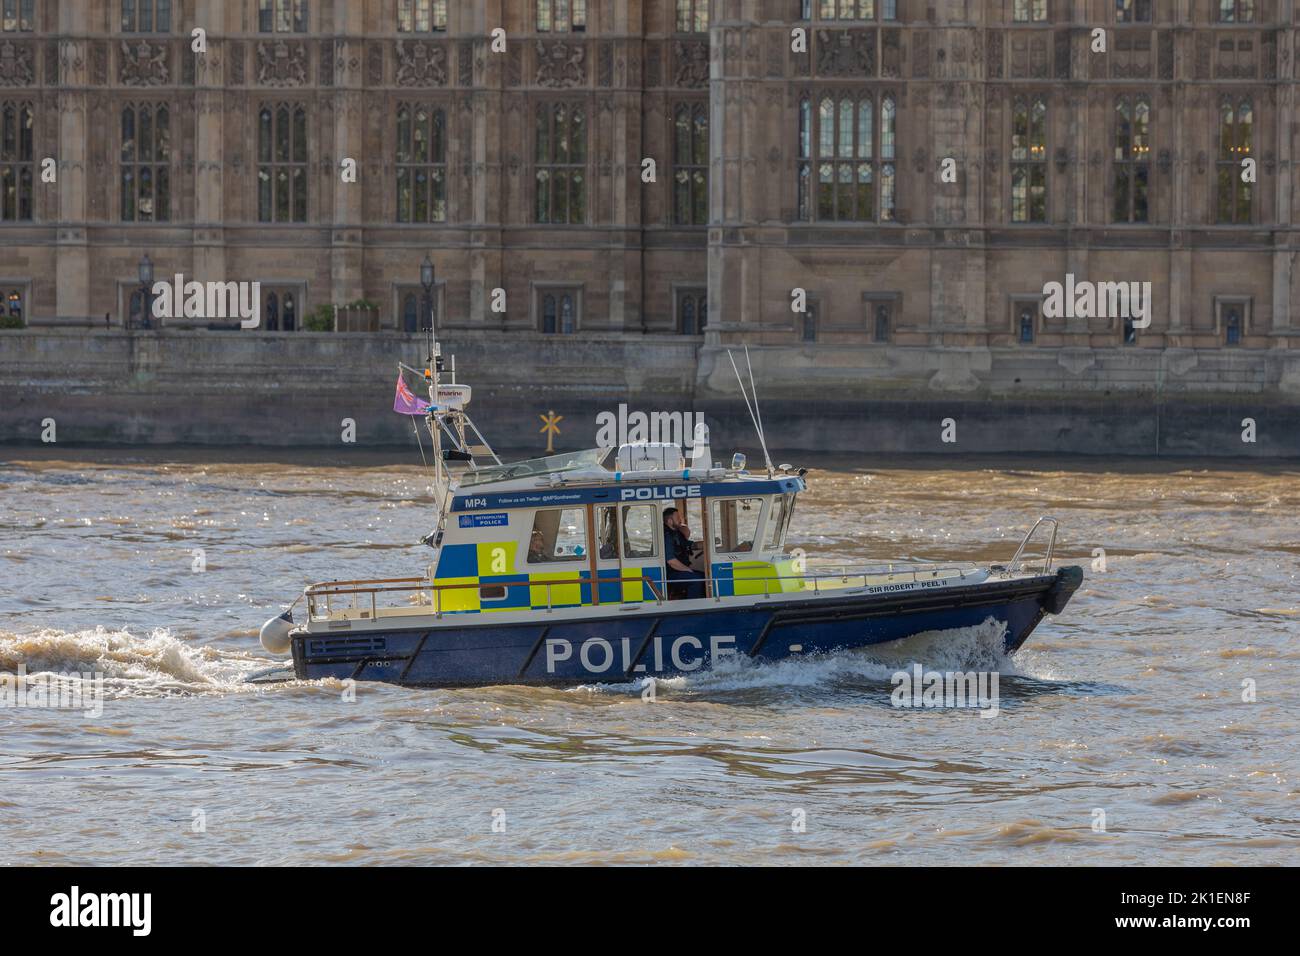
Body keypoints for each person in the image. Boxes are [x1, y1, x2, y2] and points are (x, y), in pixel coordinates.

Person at [663, 507, 705, 599]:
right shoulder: (667, 536)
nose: (680, 520)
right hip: (670, 574)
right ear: (670, 521)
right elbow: (671, 561)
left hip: (678, 571)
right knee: (696, 580)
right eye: (677, 518)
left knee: (706, 576)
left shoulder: (676, 533)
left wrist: (705, 544)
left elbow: (688, 545)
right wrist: (688, 570)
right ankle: (693, 608)